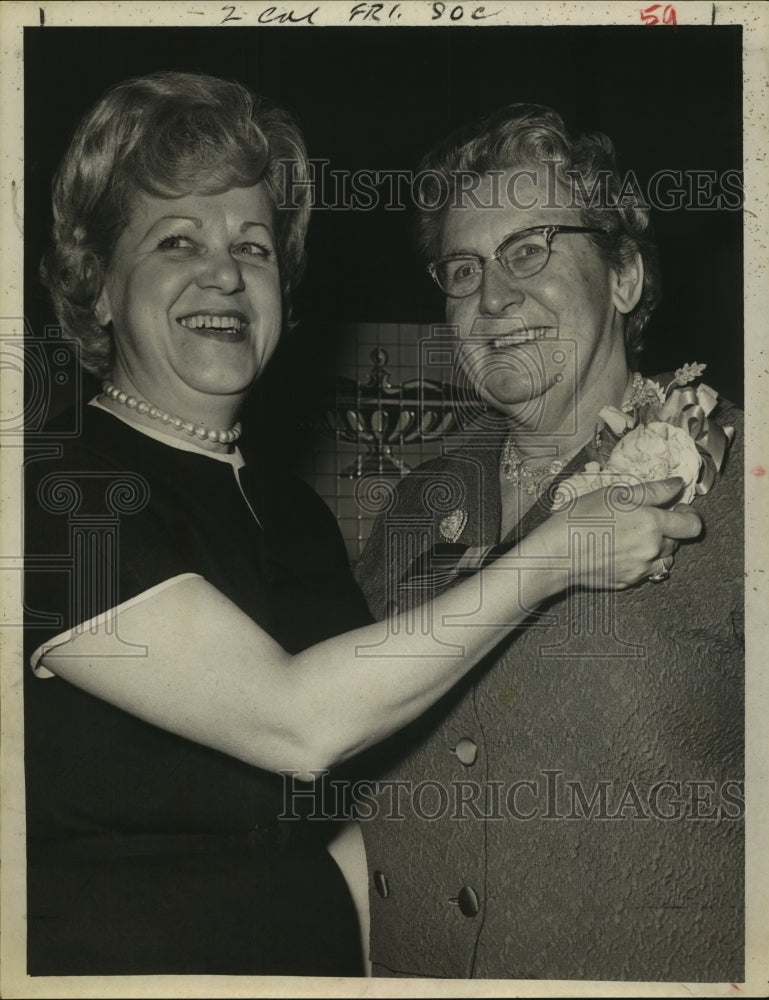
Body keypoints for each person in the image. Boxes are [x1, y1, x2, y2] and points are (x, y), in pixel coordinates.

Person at [24, 77, 700, 978]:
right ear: (98, 287)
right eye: (176, 240)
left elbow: (353, 812)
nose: (223, 273)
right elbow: (302, 722)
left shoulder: (300, 514)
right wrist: (555, 555)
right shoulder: (47, 488)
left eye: (253, 247)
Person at [354, 104, 744, 981]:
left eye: (529, 249)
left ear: (623, 276)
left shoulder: (745, 480)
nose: (492, 298)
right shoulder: (415, 504)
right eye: (462, 269)